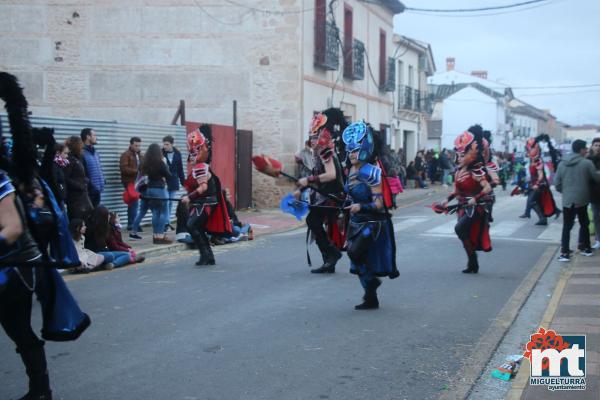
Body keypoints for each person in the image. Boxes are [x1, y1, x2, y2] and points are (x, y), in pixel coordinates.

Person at [342, 121, 399, 309]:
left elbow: (379, 204)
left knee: (355, 252)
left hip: (372, 224)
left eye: (355, 150)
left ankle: (371, 284)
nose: (351, 154)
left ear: (364, 149)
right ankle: (370, 297)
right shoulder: (350, 170)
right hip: (355, 223)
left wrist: (361, 206)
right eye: (349, 150)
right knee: (358, 258)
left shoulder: (371, 172)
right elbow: (349, 195)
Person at [295, 112, 345, 274]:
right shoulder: (319, 153)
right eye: (311, 137)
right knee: (315, 223)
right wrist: (301, 188)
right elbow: (319, 177)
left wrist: (308, 180)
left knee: (313, 221)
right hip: (323, 196)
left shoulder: (325, 152)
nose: (313, 140)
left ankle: (332, 254)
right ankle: (329, 260)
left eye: (315, 137)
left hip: (331, 197)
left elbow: (331, 175)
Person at [439, 126, 493, 274]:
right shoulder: (458, 171)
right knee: (464, 234)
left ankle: (473, 259)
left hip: (476, 207)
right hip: (463, 207)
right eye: (458, 155)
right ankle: (472, 262)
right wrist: (447, 199)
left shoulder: (476, 171)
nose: (459, 158)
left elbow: (487, 188)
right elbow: (456, 191)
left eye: (462, 155)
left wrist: (475, 199)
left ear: (472, 154)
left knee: (459, 229)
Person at [182, 126, 232, 265]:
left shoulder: (200, 167)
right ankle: (207, 256)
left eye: (194, 152)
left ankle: (206, 255)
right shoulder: (200, 167)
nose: (191, 155)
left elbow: (203, 187)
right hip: (203, 203)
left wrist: (189, 197)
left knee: (192, 226)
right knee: (196, 227)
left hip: (205, 203)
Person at [553, 139, 600, 261]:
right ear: (581, 150)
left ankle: (564, 252)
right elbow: (596, 178)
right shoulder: (586, 163)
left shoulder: (562, 163)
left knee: (567, 226)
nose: (586, 150)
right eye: (585, 148)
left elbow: (556, 182)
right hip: (582, 198)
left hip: (568, 199)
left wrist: (565, 191)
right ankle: (586, 248)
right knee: (584, 223)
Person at [132, 144, 172, 244]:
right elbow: (169, 175)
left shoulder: (145, 163)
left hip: (149, 189)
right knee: (163, 212)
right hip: (160, 189)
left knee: (155, 212)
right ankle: (160, 236)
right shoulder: (160, 163)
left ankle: (155, 235)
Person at [519, 135, 560, 225]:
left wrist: (536, 184)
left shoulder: (538, 161)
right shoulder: (532, 160)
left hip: (539, 185)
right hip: (535, 184)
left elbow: (541, 175)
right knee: (537, 200)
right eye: (529, 148)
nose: (529, 150)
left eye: (531, 148)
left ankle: (543, 218)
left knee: (533, 201)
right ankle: (546, 216)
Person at [63, 135, 93, 221]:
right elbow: (66, 178)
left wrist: (86, 182)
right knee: (78, 220)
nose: (82, 148)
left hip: (82, 195)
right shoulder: (69, 160)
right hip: (75, 198)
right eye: (81, 146)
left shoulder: (78, 159)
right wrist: (80, 185)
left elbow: (82, 175)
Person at [162, 135, 186, 231]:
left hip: (173, 181)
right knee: (165, 202)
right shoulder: (161, 153)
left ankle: (167, 222)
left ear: (172, 144)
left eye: (167, 144)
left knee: (170, 202)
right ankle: (166, 223)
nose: (165, 146)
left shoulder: (177, 154)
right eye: (164, 144)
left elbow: (180, 169)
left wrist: (183, 182)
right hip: (164, 181)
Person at [120, 137, 143, 231]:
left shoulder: (140, 155)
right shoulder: (126, 155)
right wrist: (137, 171)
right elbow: (124, 169)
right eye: (135, 145)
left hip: (138, 182)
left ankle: (132, 223)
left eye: (139, 145)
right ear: (131, 144)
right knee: (134, 203)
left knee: (134, 203)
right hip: (130, 182)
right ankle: (132, 224)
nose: (137, 147)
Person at [80, 128, 105, 207]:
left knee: (97, 215)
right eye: (94, 135)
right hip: (89, 191)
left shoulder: (95, 152)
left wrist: (103, 180)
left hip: (98, 190)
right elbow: (81, 173)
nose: (96, 137)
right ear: (88, 137)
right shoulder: (81, 153)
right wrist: (89, 185)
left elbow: (98, 168)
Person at [589, 138, 600, 249]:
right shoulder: (589, 160)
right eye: (596, 145)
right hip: (594, 194)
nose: (598, 147)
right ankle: (598, 239)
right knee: (596, 217)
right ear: (592, 146)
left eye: (599, 145)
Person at [51, 142, 69, 208]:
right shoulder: (54, 166)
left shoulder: (61, 165)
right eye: (65, 153)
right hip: (58, 200)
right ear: (58, 153)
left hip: (62, 199)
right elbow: (55, 183)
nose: (67, 156)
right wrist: (61, 197)